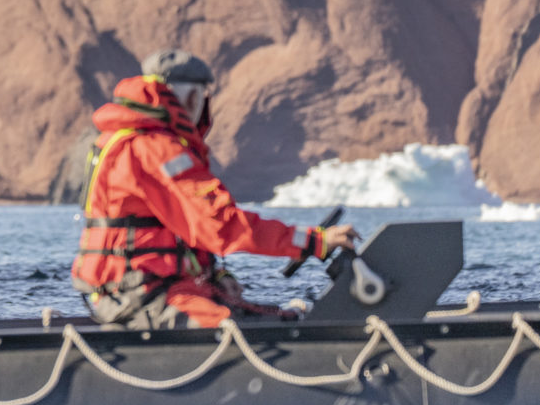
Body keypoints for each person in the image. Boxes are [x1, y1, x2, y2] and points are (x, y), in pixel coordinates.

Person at [71, 49, 358, 329]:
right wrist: (312, 241)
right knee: (236, 328)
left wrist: (216, 274)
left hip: (133, 292)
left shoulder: (126, 140)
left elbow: (181, 229)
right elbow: (221, 225)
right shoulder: (157, 149)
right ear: (193, 98)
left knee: (262, 317)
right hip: (145, 296)